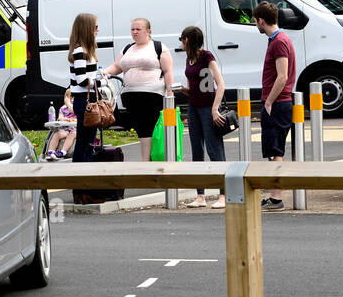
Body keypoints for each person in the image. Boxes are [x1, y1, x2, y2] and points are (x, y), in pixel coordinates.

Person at [99, 17, 175, 161]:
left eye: (138, 29)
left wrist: (170, 95)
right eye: (132, 29)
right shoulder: (127, 48)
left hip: (153, 95)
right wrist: (106, 72)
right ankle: (146, 163)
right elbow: (117, 66)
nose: (135, 32)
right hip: (132, 96)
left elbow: (168, 71)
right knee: (142, 130)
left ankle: (155, 160)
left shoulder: (158, 47)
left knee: (152, 128)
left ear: (148, 31)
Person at [179, 26, 227, 208]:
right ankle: (200, 196)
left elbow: (220, 84)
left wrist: (215, 110)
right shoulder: (189, 59)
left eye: (182, 39)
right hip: (193, 107)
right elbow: (195, 85)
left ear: (188, 40)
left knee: (214, 150)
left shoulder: (207, 57)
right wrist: (183, 90)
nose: (181, 42)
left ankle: (223, 194)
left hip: (208, 107)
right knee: (196, 150)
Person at [255, 1, 296, 211]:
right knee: (273, 149)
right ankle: (274, 195)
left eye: (256, 21)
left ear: (261, 20)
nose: (256, 25)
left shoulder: (278, 41)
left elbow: (282, 76)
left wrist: (269, 101)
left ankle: (276, 198)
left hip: (278, 103)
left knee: (275, 149)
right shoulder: (278, 39)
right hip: (278, 101)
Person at [66, 13, 104, 163]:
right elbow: (82, 80)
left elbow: (85, 77)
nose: (98, 30)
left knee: (87, 141)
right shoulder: (80, 51)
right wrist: (102, 82)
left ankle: (85, 175)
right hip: (84, 100)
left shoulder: (85, 50)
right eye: (95, 27)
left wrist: (98, 76)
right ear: (87, 28)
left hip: (86, 99)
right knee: (84, 141)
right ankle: (81, 176)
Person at [45, 88, 77, 160]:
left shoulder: (77, 107)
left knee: (72, 134)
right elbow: (60, 118)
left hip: (76, 129)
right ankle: (51, 152)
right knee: (57, 134)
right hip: (65, 129)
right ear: (66, 98)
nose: (72, 100)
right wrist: (65, 119)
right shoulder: (63, 108)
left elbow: (77, 114)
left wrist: (73, 120)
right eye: (70, 98)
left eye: (74, 98)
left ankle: (63, 152)